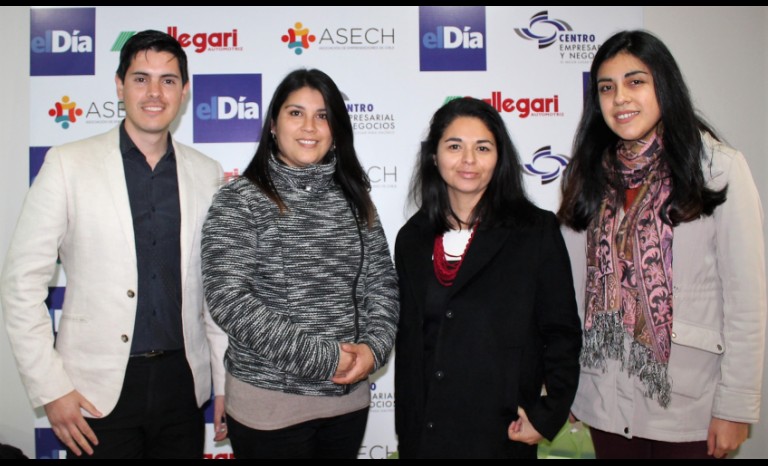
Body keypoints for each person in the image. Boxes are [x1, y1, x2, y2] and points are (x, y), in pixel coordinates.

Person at [0, 30, 227, 458]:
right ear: (119, 85)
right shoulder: (68, 164)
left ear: (185, 90)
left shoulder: (206, 172)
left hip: (183, 386)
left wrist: (224, 383)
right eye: (141, 79)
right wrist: (52, 389)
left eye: (168, 80)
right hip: (96, 393)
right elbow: (20, 284)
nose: (154, 93)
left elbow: (214, 292)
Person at [558, 29, 767, 459]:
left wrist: (736, 408)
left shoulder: (719, 169)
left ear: (663, 87)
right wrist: (572, 386)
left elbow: (747, 301)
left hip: (689, 402)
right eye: (606, 87)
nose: (620, 98)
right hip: (605, 400)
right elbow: (574, 296)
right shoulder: (587, 176)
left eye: (636, 81)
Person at [200, 68, 399, 459]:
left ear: (336, 129)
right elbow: (228, 299)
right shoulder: (239, 200)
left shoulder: (356, 200)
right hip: (269, 408)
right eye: (295, 113)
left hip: (347, 404)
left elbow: (383, 284)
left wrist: (374, 349)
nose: (310, 126)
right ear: (273, 125)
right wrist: (324, 357)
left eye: (323, 115)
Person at [394, 97, 583, 458]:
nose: (468, 160)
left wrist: (547, 414)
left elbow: (561, 332)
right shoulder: (412, 238)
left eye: (482, 147)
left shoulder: (534, 231)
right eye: (454, 146)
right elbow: (411, 345)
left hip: (501, 433)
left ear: (500, 158)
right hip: (427, 436)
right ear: (434, 156)